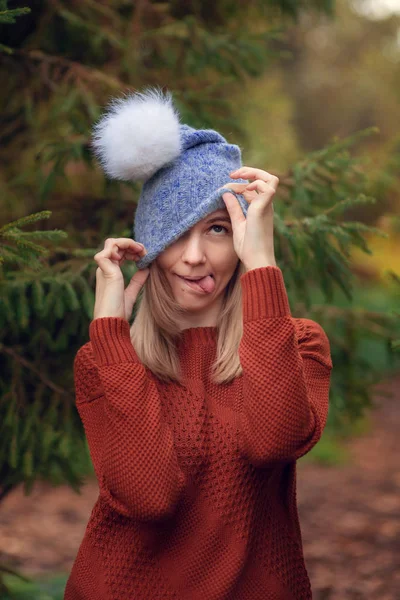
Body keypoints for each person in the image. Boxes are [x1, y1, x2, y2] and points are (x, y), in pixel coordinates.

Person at [64, 87, 333, 600]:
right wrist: (112, 344)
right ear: (150, 245)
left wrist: (262, 267)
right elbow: (150, 497)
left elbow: (273, 441)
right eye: (175, 233)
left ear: (242, 234)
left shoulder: (297, 344)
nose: (193, 257)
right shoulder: (106, 362)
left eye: (215, 228)